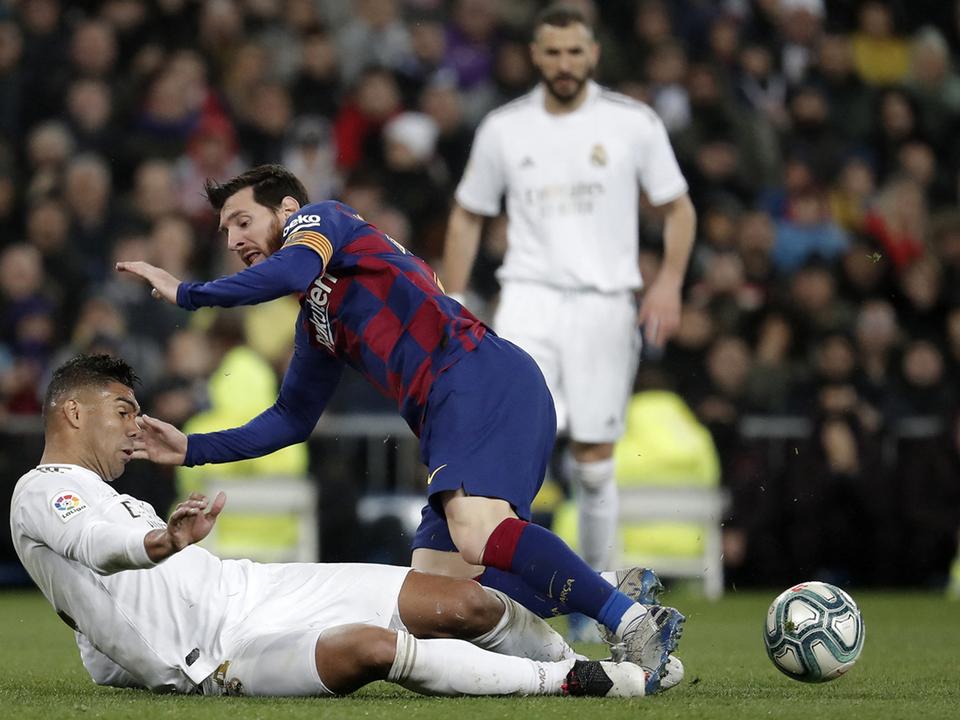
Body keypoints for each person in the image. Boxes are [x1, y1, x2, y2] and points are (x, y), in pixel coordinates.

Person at [115, 162, 684, 685]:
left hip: (474, 375)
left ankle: (631, 622)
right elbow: (291, 419)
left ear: (287, 210)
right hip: (457, 403)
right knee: (437, 605)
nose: (233, 241)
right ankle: (601, 594)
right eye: (224, 232)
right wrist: (192, 448)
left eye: (242, 222)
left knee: (476, 532)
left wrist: (188, 293)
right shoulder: (318, 318)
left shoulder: (322, 220)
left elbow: (291, 267)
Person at [10, 354, 675, 698]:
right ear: (73, 412)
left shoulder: (103, 494)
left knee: (463, 602)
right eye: (123, 412)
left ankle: (593, 660)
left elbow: (99, 604)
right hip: (216, 652)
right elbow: (96, 548)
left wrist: (109, 652)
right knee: (373, 650)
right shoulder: (41, 490)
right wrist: (161, 541)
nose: (135, 428)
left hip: (253, 585)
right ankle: (571, 682)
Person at [442, 4, 696, 577]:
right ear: (536, 56)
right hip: (528, 299)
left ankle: (597, 593)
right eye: (553, 52)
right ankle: (505, 590)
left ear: (593, 54)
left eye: (574, 52)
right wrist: (453, 297)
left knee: (594, 460)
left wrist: (670, 281)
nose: (564, 63)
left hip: (605, 303)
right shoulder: (505, 127)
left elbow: (679, 208)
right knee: (509, 448)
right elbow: (467, 214)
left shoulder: (633, 123)